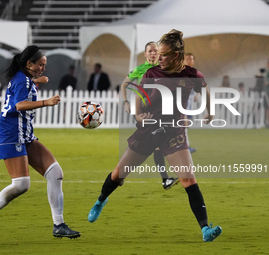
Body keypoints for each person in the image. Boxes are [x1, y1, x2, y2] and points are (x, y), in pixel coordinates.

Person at [88, 29, 222, 242]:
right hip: (149, 130)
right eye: (157, 53)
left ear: (176, 55)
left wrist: (209, 110)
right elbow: (140, 96)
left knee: (188, 179)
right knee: (118, 175)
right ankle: (101, 200)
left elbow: (204, 89)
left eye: (163, 54)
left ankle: (205, 228)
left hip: (174, 132)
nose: (158, 58)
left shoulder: (191, 74)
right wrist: (139, 115)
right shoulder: (152, 73)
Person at [0, 45, 80, 239]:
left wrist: (35, 80)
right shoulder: (23, 80)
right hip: (11, 136)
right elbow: (19, 105)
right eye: (40, 65)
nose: (43, 68)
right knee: (21, 185)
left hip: (25, 135)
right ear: (28, 63)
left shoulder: (24, 78)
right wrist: (46, 102)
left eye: (44, 65)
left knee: (55, 173)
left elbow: (22, 86)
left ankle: (59, 225)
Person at [120, 41, 179, 190]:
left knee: (145, 144)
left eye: (155, 51)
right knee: (153, 145)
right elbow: (124, 85)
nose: (153, 53)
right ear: (145, 54)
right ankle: (165, 179)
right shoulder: (140, 70)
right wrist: (126, 102)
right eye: (150, 51)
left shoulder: (164, 69)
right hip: (146, 112)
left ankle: (120, 175)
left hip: (160, 111)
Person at [183, 53, 199, 153]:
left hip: (190, 104)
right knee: (183, 124)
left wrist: (198, 95)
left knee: (185, 125)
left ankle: (185, 146)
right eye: (187, 59)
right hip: (181, 103)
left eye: (191, 59)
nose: (189, 61)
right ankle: (185, 147)